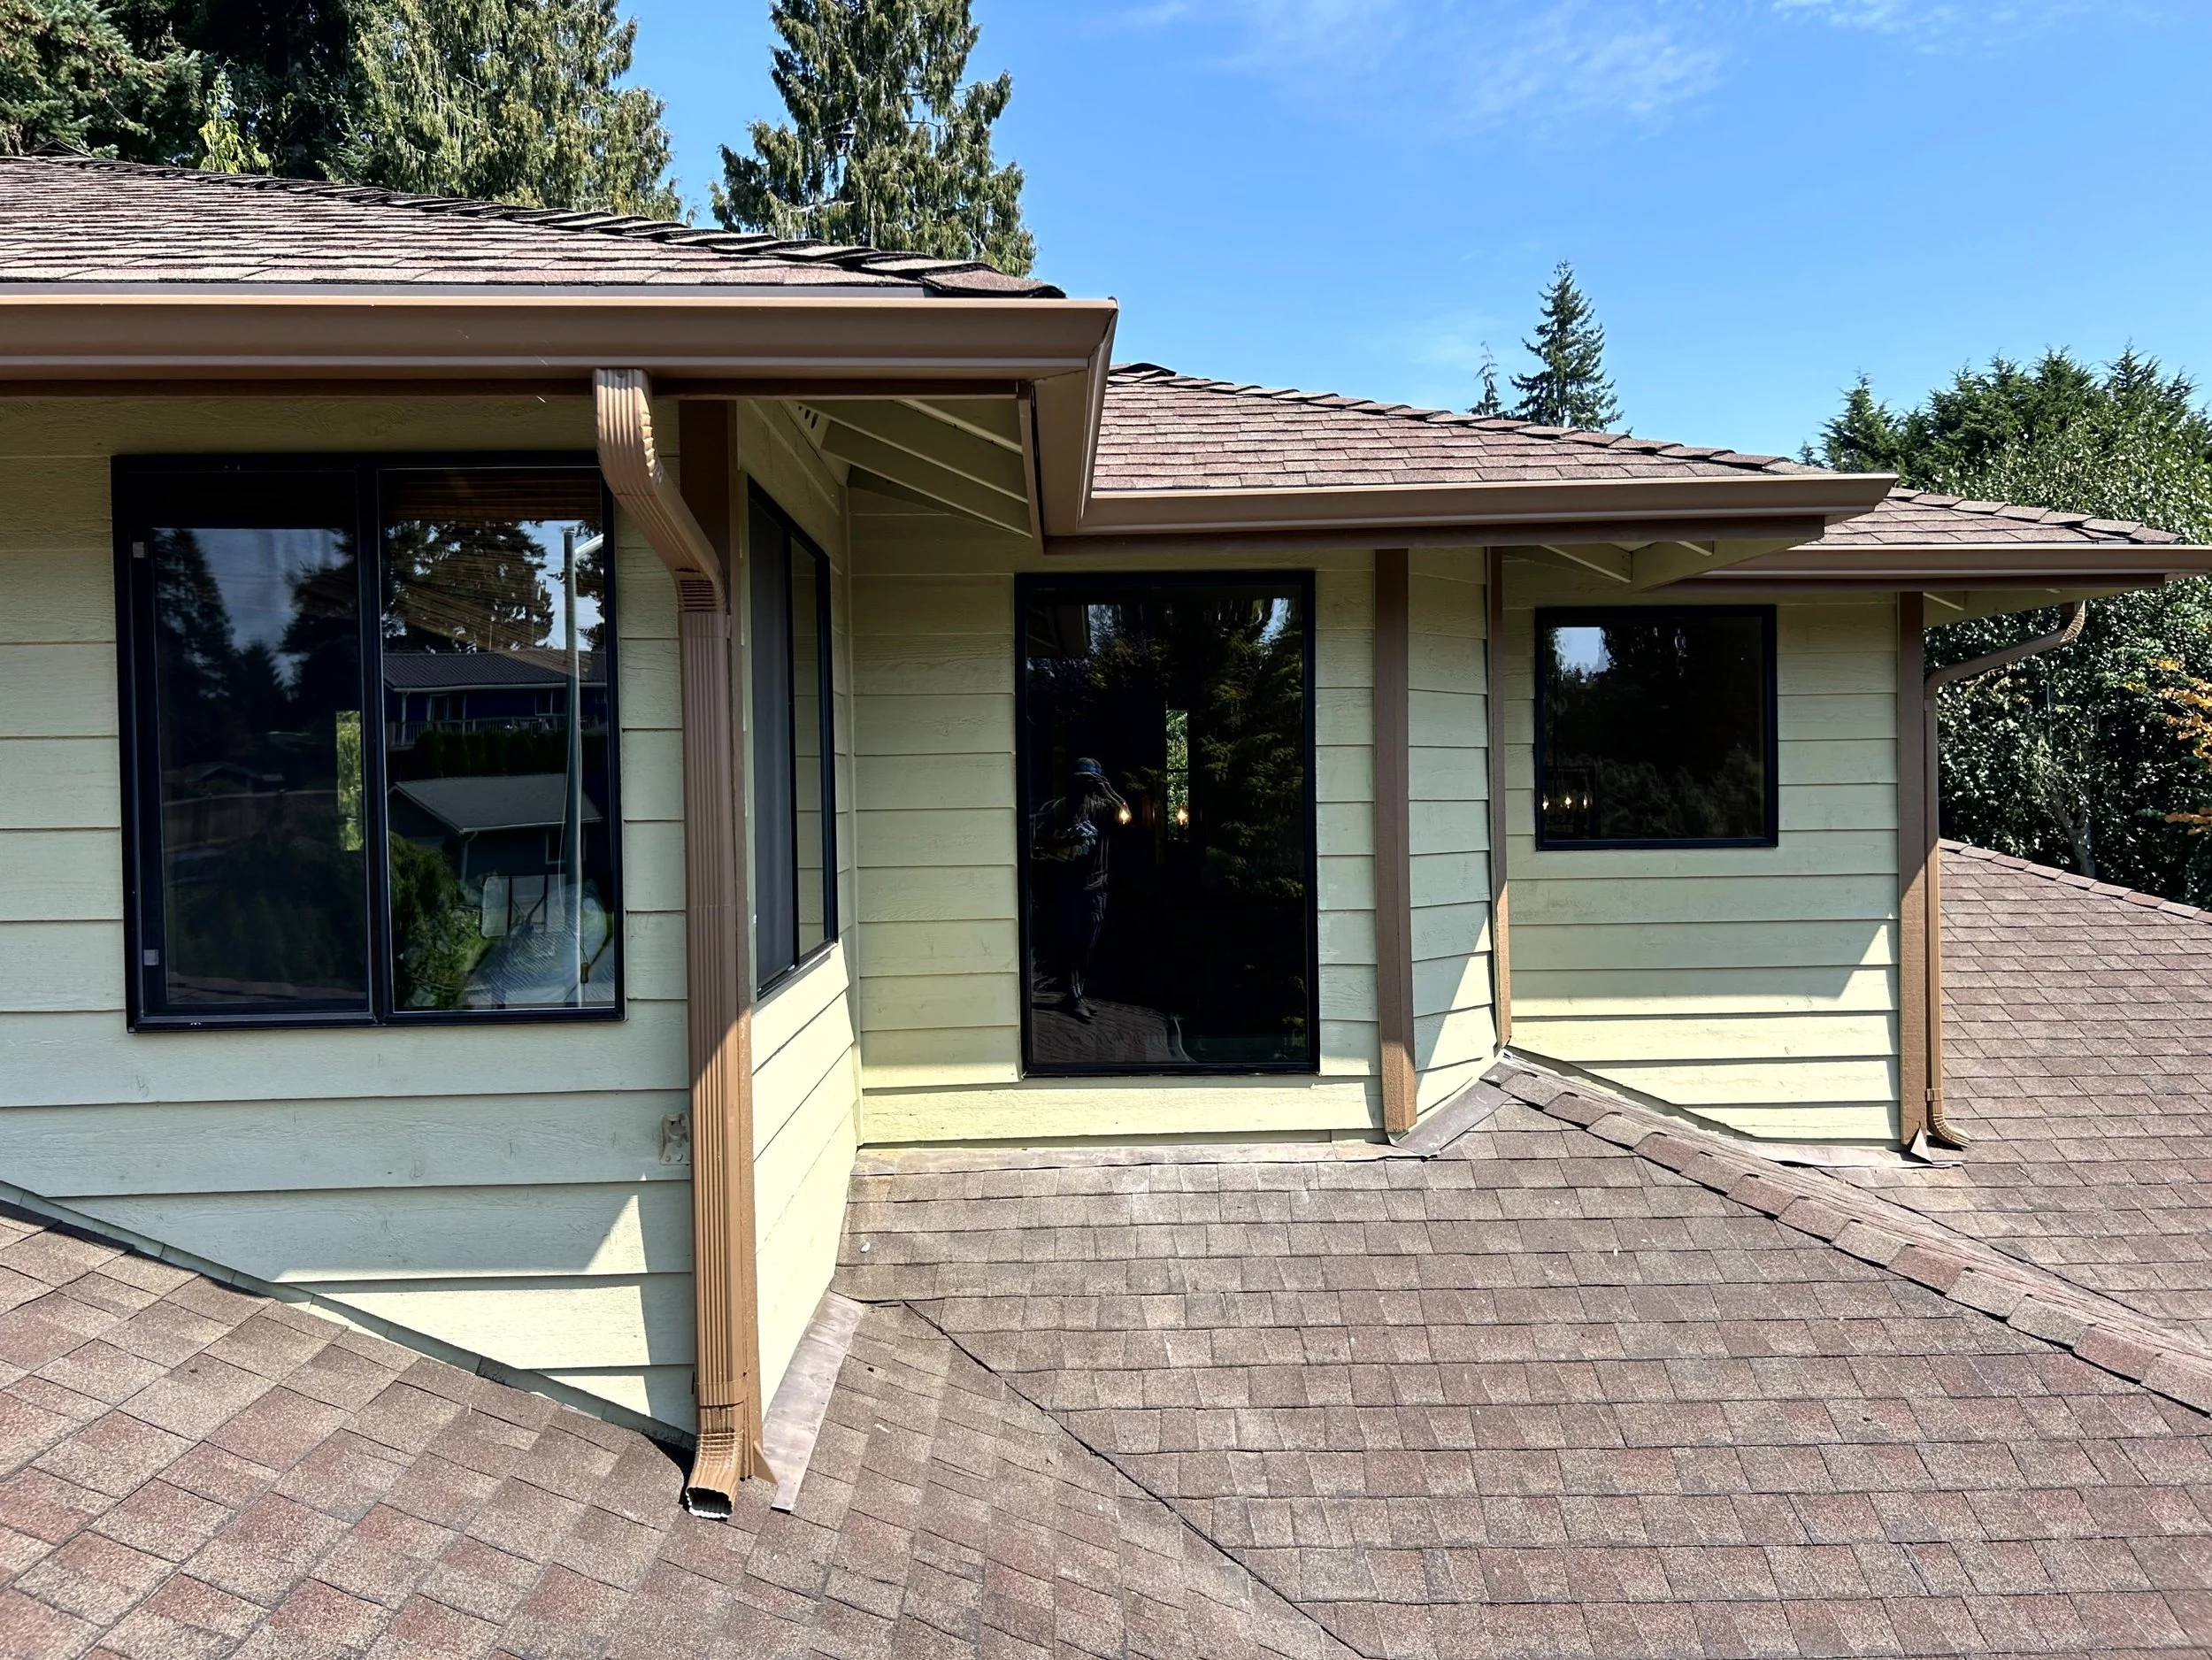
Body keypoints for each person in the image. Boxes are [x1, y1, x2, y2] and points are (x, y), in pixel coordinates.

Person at [1036, 757, 1125, 1023]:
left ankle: (1076, 994)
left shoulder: (1101, 808)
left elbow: (1125, 817)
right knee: (1072, 942)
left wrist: (1108, 790)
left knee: (1087, 945)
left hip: (1096, 885)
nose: (1085, 787)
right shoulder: (1059, 808)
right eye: (1081, 781)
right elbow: (1039, 841)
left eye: (1090, 782)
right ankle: (1073, 996)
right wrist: (1067, 839)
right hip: (1070, 884)